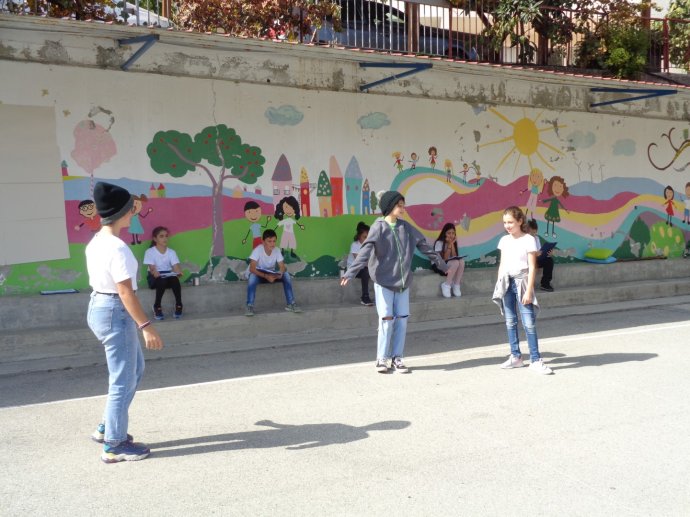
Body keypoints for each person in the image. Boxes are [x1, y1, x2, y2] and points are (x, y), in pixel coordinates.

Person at [86, 181, 164, 463]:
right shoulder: (118, 248)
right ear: (121, 212)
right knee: (122, 379)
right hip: (115, 311)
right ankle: (114, 444)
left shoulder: (97, 241)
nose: (133, 212)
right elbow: (125, 292)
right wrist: (146, 327)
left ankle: (108, 426)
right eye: (131, 208)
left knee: (134, 370)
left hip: (100, 306)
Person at [341, 191, 448, 374]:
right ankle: (381, 358)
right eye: (399, 206)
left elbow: (423, 245)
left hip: (403, 283)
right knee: (386, 320)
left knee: (402, 320)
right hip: (383, 282)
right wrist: (351, 272)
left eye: (403, 205)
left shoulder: (406, 227)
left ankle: (397, 357)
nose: (402, 209)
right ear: (389, 207)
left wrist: (441, 263)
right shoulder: (378, 227)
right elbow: (365, 252)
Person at [492, 206, 552, 375]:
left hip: (522, 282)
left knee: (529, 323)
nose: (507, 225)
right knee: (510, 321)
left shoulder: (529, 239)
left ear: (520, 221)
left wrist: (528, 291)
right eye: (505, 222)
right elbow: (503, 264)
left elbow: (532, 267)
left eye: (510, 222)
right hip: (507, 282)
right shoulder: (504, 240)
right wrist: (499, 283)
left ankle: (535, 359)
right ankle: (516, 357)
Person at [245, 228, 302, 316]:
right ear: (263, 242)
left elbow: (282, 267)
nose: (272, 244)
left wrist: (279, 274)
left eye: (274, 241)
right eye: (269, 241)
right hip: (259, 275)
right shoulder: (258, 250)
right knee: (252, 277)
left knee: (286, 275)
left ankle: (291, 304)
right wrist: (266, 276)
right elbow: (252, 269)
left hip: (270, 274)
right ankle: (249, 306)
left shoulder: (277, 250)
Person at [144, 226, 184, 320]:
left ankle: (179, 305)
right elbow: (152, 269)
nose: (165, 238)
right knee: (161, 280)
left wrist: (178, 272)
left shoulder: (171, 252)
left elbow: (176, 267)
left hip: (168, 276)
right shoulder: (150, 252)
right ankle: (157, 306)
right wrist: (155, 273)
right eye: (161, 236)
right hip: (155, 278)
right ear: (155, 239)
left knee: (174, 279)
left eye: (166, 236)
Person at [432, 222, 465, 298]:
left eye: (453, 233)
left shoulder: (453, 242)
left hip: (449, 265)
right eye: (449, 233)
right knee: (455, 262)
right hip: (439, 265)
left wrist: (452, 244)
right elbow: (444, 259)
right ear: (444, 233)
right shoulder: (439, 243)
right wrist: (450, 245)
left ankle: (456, 285)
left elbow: (454, 256)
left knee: (461, 261)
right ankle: (446, 285)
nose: (451, 235)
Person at [348, 222, 374, 306]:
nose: (367, 239)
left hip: (367, 268)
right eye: (364, 237)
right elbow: (360, 262)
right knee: (366, 272)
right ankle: (365, 297)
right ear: (359, 236)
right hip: (355, 270)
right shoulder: (355, 245)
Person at [527, 219, 555, 292]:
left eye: (535, 232)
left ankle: (545, 284)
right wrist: (534, 254)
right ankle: (527, 286)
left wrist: (547, 254)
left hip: (536, 260)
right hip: (527, 261)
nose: (534, 234)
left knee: (549, 261)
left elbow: (539, 251)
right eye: (531, 233)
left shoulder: (536, 238)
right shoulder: (523, 240)